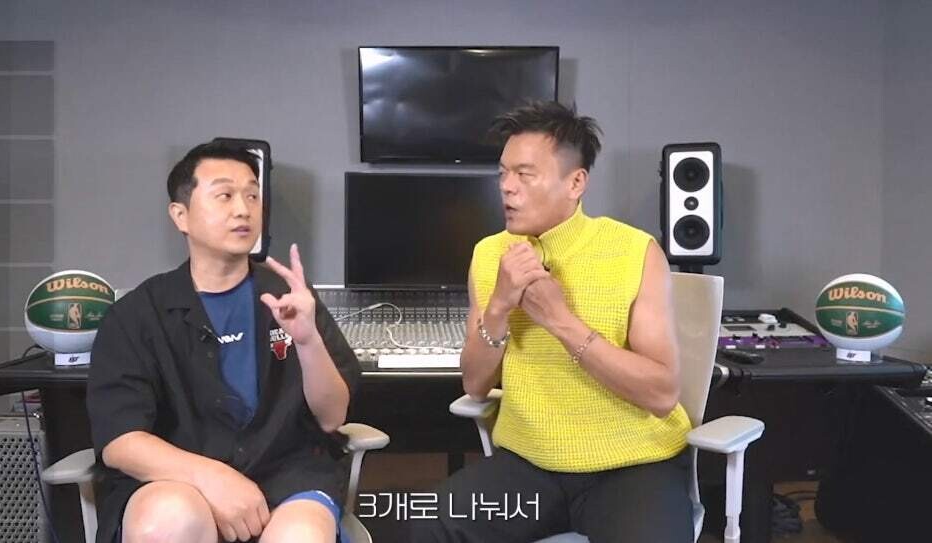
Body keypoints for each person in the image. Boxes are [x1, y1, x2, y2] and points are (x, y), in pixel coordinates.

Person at [411, 102, 693, 542]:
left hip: (634, 465)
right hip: (529, 466)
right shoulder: (489, 254)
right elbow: (475, 384)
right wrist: (500, 305)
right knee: (432, 523)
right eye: (503, 173)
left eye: (525, 175)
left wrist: (560, 321)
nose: (507, 187)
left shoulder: (635, 252)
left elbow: (661, 393)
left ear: (575, 182)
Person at [87, 142, 359, 543]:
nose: (243, 209)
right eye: (225, 195)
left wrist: (308, 341)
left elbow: (332, 417)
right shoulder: (136, 314)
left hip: (289, 477)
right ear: (180, 215)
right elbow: (121, 440)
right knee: (166, 519)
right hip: (178, 480)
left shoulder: (291, 298)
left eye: (252, 195)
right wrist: (211, 478)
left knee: (300, 536)